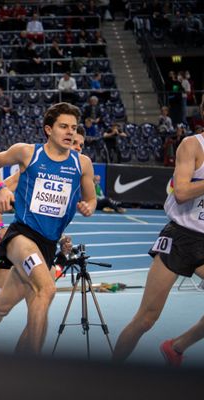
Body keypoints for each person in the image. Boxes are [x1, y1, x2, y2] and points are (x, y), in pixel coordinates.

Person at [0, 102, 96, 355]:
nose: (70, 132)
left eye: (74, 128)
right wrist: (1, 190)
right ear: (49, 129)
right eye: (64, 127)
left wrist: (89, 206)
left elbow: (91, 199)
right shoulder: (28, 153)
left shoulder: (83, 164)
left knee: (1, 309)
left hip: (47, 244)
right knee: (46, 289)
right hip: (21, 236)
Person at [0, 127, 87, 328]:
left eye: (81, 145)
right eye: (75, 143)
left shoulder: (73, 173)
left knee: (37, 303)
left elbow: (47, 217)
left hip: (42, 247)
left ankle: (31, 356)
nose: (77, 148)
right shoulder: (35, 169)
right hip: (19, 243)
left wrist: (61, 239)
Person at [112, 102, 204, 365]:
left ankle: (177, 347)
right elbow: (183, 192)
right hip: (180, 237)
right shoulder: (192, 145)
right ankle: (108, 375)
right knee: (146, 319)